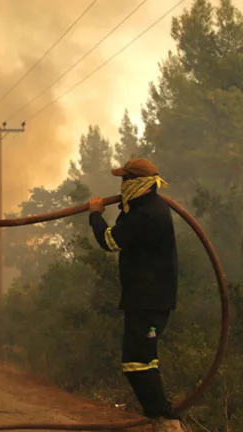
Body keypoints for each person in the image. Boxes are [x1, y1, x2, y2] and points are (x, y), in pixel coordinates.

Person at [87, 158, 184, 432]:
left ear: (137, 183)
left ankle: (166, 421)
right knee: (138, 360)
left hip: (149, 300)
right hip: (143, 299)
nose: (122, 186)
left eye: (125, 180)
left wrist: (95, 214)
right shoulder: (142, 208)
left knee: (138, 361)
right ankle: (162, 418)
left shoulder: (149, 213)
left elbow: (109, 240)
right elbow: (124, 229)